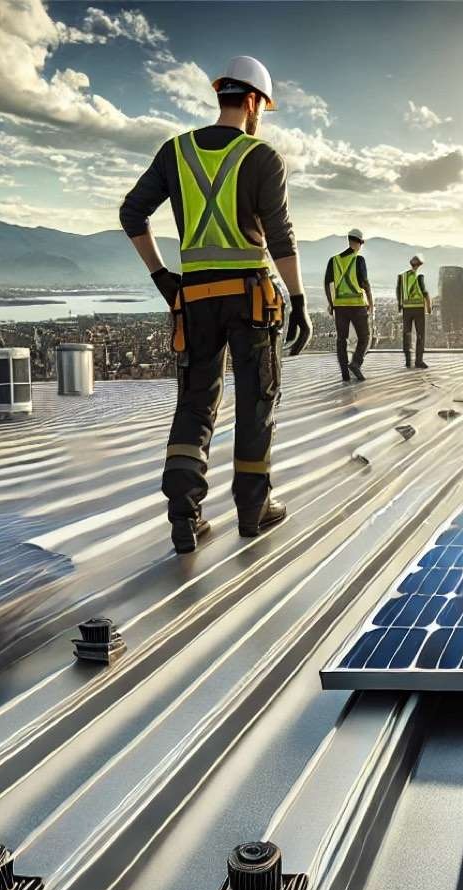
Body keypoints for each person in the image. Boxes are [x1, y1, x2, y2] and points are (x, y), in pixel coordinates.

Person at [119, 55, 313, 554]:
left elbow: (132, 213)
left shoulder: (175, 152)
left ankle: (184, 517)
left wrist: (163, 277)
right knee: (256, 401)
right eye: (261, 108)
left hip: (197, 299)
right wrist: (298, 299)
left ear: (221, 93)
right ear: (252, 101)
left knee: (195, 402)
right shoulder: (262, 156)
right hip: (252, 298)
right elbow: (280, 237)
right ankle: (252, 511)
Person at [326, 228, 372, 381]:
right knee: (364, 337)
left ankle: (345, 374)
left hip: (340, 306)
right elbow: (365, 283)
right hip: (358, 305)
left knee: (341, 339)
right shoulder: (359, 260)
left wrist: (331, 303)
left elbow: (327, 283)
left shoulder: (334, 260)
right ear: (359, 243)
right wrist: (370, 302)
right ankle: (356, 364)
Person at [397, 254, 429, 369]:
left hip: (406, 308)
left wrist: (400, 306)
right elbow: (424, 291)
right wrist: (428, 307)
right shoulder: (419, 275)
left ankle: (407, 360)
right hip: (418, 308)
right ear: (420, 265)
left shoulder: (403, 276)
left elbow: (399, 291)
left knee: (407, 334)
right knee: (420, 334)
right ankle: (418, 361)